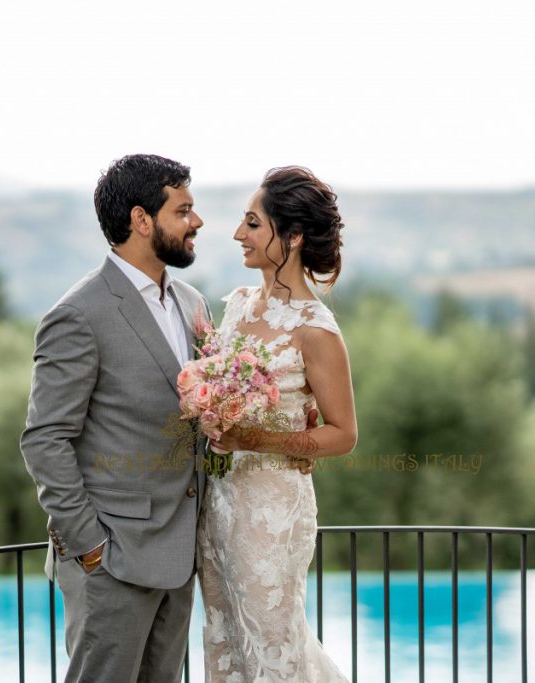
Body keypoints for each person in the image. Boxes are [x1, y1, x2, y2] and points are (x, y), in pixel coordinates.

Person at [20, 154, 211, 683]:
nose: (196, 222)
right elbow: (45, 440)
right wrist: (89, 546)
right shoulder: (79, 314)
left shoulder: (193, 303)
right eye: (184, 210)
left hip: (180, 555)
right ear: (141, 219)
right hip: (112, 562)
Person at [198, 166, 358, 681]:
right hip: (218, 504)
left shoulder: (317, 331)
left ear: (290, 238)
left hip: (272, 513)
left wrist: (255, 438)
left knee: (272, 642)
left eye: (252, 223)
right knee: (224, 638)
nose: (237, 234)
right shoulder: (239, 307)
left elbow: (343, 434)